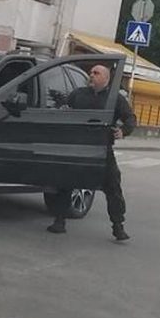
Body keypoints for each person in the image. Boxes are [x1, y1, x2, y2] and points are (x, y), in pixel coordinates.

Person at [48, 63, 137, 241]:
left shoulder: (115, 98)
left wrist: (123, 131)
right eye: (91, 72)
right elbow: (64, 108)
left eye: (96, 73)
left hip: (101, 148)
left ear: (106, 78)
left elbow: (130, 118)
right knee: (65, 182)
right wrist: (62, 109)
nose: (91, 75)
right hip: (77, 146)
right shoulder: (79, 94)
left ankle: (118, 226)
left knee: (113, 185)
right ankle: (59, 220)